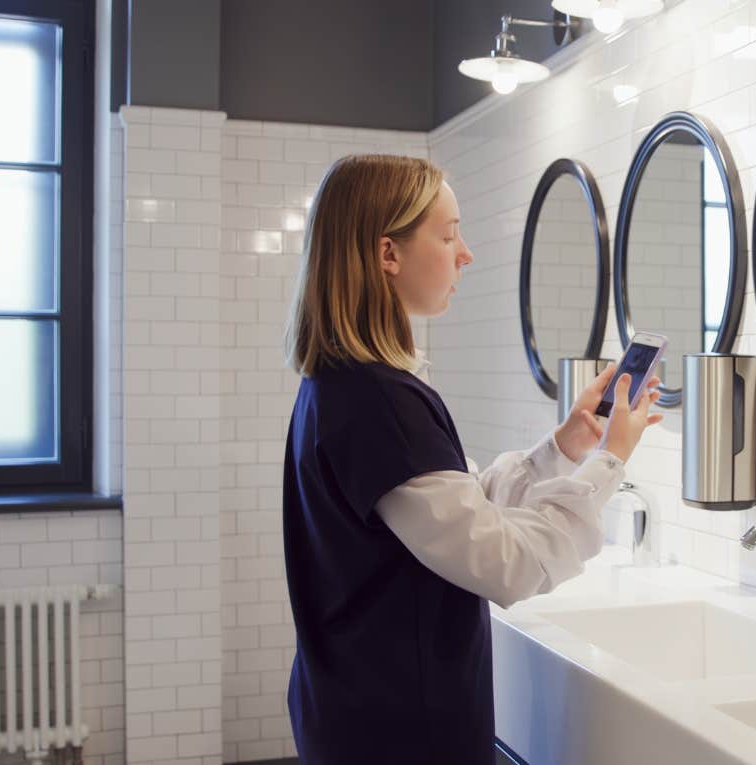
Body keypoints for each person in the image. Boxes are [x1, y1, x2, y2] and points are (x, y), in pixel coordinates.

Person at [280, 154, 662, 764]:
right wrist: (613, 457)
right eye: (449, 233)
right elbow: (508, 564)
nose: (466, 254)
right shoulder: (378, 400)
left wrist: (566, 447)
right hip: (397, 732)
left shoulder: (343, 384)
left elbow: (452, 516)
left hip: (353, 709)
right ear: (388, 255)